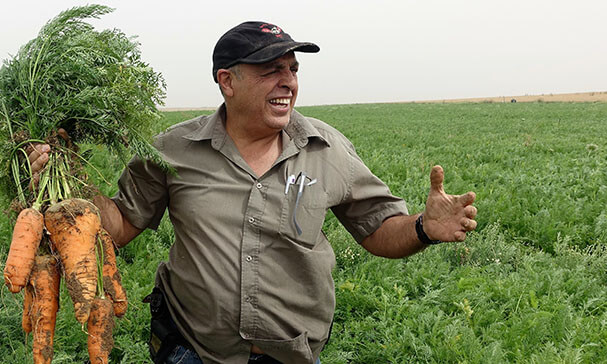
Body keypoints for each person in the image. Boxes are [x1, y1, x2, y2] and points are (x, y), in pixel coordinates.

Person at [28, 21, 478, 364]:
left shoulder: (327, 149)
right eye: (270, 70)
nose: (288, 81)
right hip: (192, 351)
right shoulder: (173, 150)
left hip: (293, 356)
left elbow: (378, 230)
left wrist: (423, 227)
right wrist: (71, 179)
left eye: (292, 69)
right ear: (227, 81)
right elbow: (121, 226)